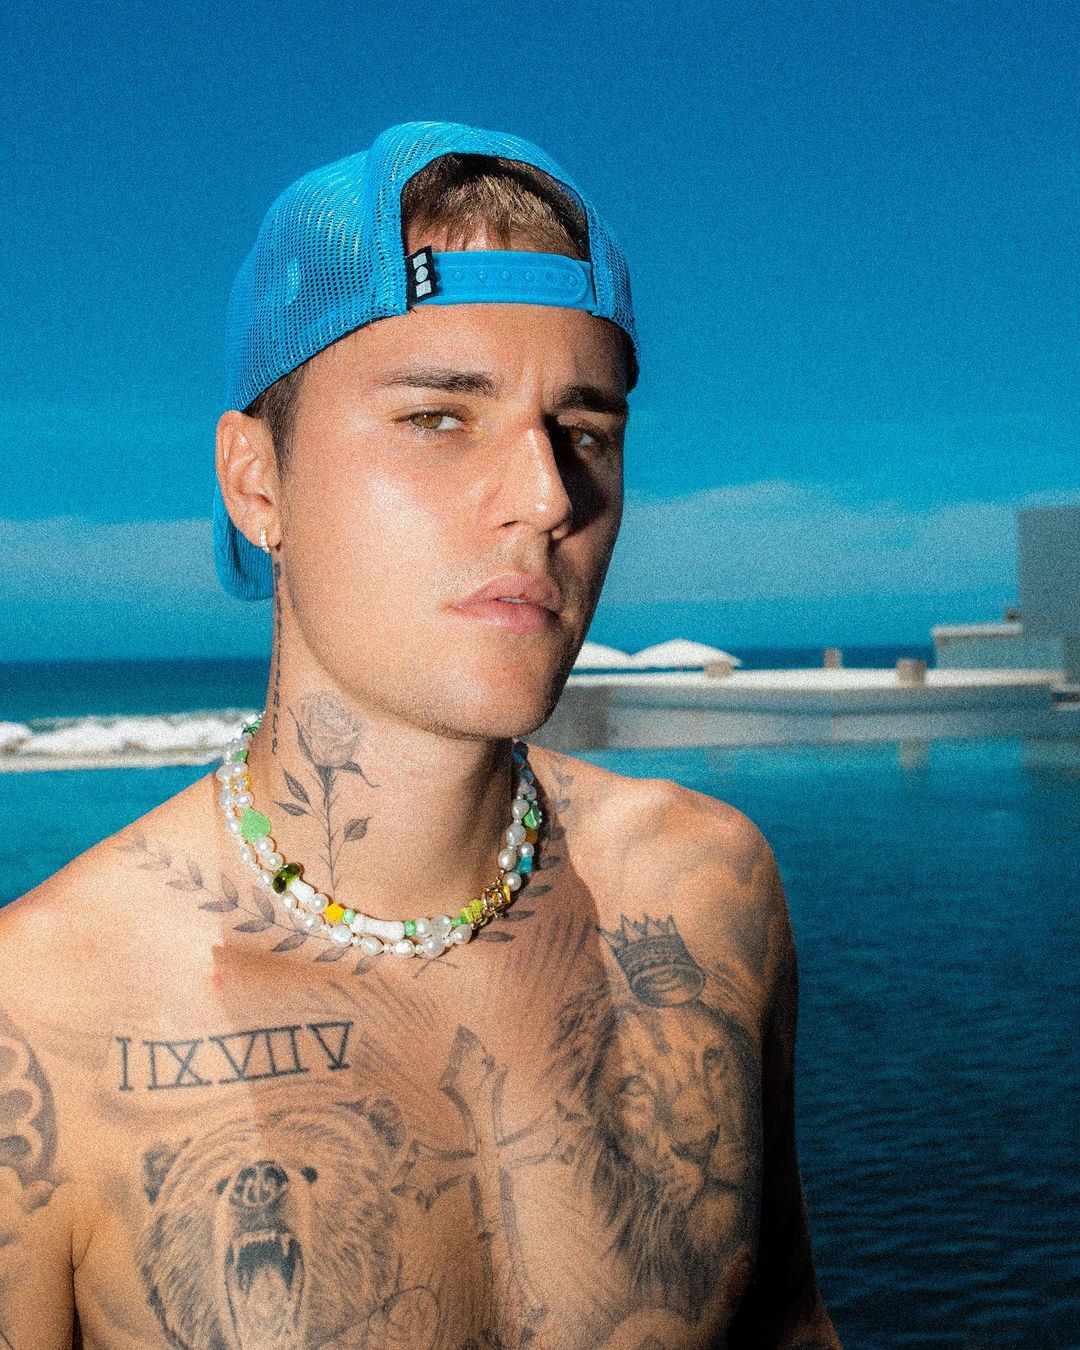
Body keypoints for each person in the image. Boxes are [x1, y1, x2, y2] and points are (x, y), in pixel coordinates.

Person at [0, 120, 841, 1348]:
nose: (549, 497)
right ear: (256, 482)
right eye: (441, 418)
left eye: (587, 432)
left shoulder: (707, 891)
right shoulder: (43, 1018)